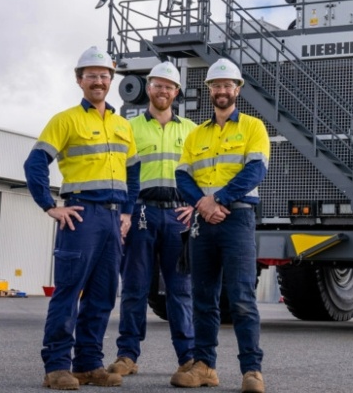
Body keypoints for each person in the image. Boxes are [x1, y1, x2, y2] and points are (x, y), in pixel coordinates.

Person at [23, 46, 139, 391]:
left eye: (104, 75)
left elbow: (133, 174)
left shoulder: (122, 125)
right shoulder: (66, 120)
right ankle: (57, 366)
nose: (99, 81)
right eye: (91, 75)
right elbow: (34, 164)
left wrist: (129, 213)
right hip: (81, 214)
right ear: (79, 80)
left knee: (103, 294)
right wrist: (49, 206)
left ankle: (88, 364)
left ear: (111, 79)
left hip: (114, 218)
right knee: (70, 290)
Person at [172, 58, 269, 393]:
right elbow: (181, 175)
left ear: (237, 90)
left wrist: (219, 200)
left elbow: (255, 171)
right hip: (203, 221)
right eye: (217, 85)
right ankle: (205, 366)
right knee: (202, 297)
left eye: (229, 85)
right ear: (210, 90)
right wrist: (203, 203)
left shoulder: (254, 127)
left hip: (237, 217)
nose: (222, 90)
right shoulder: (196, 134)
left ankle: (252, 371)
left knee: (241, 297)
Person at [106, 62, 197, 382]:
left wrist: (196, 206)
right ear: (148, 87)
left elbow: (205, 172)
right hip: (141, 211)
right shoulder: (129, 127)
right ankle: (127, 355)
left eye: (169, 86)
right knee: (134, 288)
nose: (163, 90)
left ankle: (188, 358)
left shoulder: (191, 130)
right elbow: (118, 172)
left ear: (177, 92)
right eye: (157, 84)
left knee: (181, 290)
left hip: (178, 214)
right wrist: (122, 212)